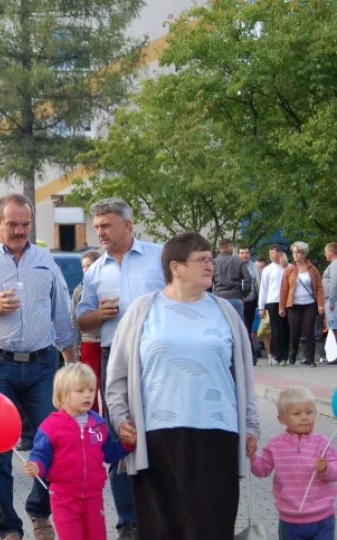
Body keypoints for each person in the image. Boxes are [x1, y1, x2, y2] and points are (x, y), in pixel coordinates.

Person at [105, 231, 260, 540]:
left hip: (218, 432)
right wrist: (121, 418)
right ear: (175, 266)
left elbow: (244, 374)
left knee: (212, 524)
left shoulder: (225, 311)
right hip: (157, 435)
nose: (210, 265)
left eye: (210, 259)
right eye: (201, 259)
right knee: (163, 527)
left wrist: (252, 426)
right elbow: (117, 373)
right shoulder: (143, 310)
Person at [0, 193, 76, 540]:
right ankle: (8, 526)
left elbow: (61, 313)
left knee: (54, 442)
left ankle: (39, 509)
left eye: (26, 224)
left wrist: (71, 365)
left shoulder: (45, 260)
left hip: (42, 365)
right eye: (13, 224)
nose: (21, 230)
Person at [75, 198, 165, 540]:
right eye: (96, 226)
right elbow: (82, 319)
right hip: (115, 358)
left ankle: (162, 513)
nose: (100, 232)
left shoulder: (160, 256)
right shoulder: (95, 271)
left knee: (161, 432)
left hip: (159, 356)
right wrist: (97, 315)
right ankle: (128, 521)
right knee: (119, 432)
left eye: (106, 225)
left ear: (127, 225)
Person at [24, 363, 135, 540]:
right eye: (80, 390)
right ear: (63, 394)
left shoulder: (98, 423)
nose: (88, 395)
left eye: (91, 390)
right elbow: (41, 455)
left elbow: (109, 453)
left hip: (94, 497)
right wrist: (36, 467)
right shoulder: (51, 426)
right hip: (64, 498)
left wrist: (126, 445)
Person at [251, 386, 337, 539]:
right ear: (282, 419)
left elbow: (335, 473)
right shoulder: (275, 444)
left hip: (322, 518)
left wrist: (326, 469)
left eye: (309, 412)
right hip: (290, 520)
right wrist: (252, 456)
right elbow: (262, 470)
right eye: (297, 414)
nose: (304, 417)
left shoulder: (322, 443)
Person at [281, 241, 325, 367]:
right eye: (294, 252)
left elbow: (319, 288)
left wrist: (320, 305)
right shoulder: (289, 270)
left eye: (298, 252)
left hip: (309, 304)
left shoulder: (312, 269)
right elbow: (284, 289)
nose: (295, 255)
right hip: (294, 305)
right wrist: (282, 307)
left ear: (304, 253)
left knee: (309, 331)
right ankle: (293, 353)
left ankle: (310, 358)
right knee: (295, 332)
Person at [71, 250, 102, 412]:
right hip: (88, 342)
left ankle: (111, 426)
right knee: (90, 386)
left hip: (107, 342)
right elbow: (74, 323)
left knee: (110, 386)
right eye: (83, 266)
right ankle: (92, 419)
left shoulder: (106, 286)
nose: (86, 269)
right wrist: (76, 354)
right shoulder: (79, 291)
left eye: (89, 265)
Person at [212, 239, 252, 321]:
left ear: (220, 249)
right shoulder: (238, 261)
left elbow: (208, 281)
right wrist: (244, 294)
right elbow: (248, 279)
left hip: (219, 298)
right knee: (237, 327)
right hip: (236, 297)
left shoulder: (214, 262)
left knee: (221, 326)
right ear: (230, 247)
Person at [239, 245, 261, 357]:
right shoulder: (236, 266)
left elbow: (259, 283)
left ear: (250, 254)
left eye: (246, 253)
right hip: (240, 300)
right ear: (238, 255)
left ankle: (250, 351)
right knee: (244, 326)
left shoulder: (255, 267)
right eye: (242, 253)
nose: (244, 255)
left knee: (250, 326)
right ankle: (250, 352)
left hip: (252, 300)